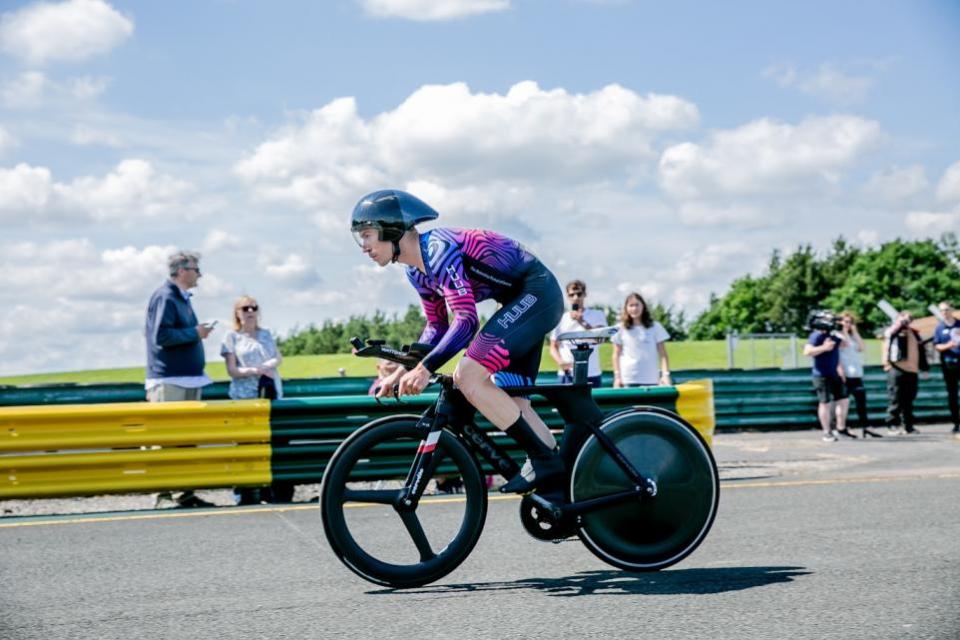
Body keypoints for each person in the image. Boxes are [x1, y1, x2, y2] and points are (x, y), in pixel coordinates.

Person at [350, 189, 564, 494]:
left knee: (468, 375)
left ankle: (544, 461)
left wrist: (424, 370)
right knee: (515, 401)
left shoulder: (438, 249)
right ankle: (564, 481)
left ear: (393, 229)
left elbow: (465, 321)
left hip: (538, 293)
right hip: (519, 301)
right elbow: (436, 327)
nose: (364, 247)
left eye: (367, 235)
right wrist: (400, 371)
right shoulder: (416, 271)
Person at [145, 250, 216, 508]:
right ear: (182, 270)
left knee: (186, 439)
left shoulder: (180, 298)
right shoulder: (165, 296)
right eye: (197, 269)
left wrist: (194, 333)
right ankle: (163, 495)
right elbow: (160, 337)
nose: (200, 274)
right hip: (170, 379)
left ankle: (183, 492)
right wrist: (195, 332)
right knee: (166, 440)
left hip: (186, 379)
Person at [221, 295, 290, 505]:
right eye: (245, 308)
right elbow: (232, 370)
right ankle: (245, 492)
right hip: (245, 397)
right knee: (246, 444)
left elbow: (278, 357)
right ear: (237, 313)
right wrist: (254, 370)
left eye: (253, 308)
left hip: (269, 392)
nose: (250, 311)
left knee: (271, 442)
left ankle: (272, 491)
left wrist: (267, 366)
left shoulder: (266, 334)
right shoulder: (231, 337)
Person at [549, 280, 607, 387]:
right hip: (567, 374)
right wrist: (560, 362)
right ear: (568, 296)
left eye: (579, 294)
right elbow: (553, 346)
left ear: (584, 294)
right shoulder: (560, 318)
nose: (576, 297)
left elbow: (600, 339)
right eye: (572, 295)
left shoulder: (597, 315)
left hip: (591, 373)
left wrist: (582, 321)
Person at [803, 314, 851, 442]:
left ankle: (841, 429)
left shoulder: (833, 336)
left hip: (834, 373)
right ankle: (826, 432)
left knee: (843, 400)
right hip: (821, 374)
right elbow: (807, 352)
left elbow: (846, 344)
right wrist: (824, 348)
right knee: (825, 403)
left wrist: (843, 330)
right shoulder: (816, 335)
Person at [611, 292, 671, 388]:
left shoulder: (655, 326)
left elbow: (663, 354)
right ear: (626, 308)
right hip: (628, 379)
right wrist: (617, 377)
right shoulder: (619, 328)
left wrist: (665, 375)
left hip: (651, 379)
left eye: (637, 305)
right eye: (631, 305)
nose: (634, 309)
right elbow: (616, 354)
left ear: (643, 306)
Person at [838, 311, 881, 438]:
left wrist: (855, 331)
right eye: (846, 322)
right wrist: (843, 329)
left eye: (851, 322)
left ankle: (866, 426)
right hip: (845, 374)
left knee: (861, 402)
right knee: (843, 404)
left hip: (856, 373)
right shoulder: (838, 336)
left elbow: (862, 347)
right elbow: (844, 343)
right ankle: (842, 428)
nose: (848, 324)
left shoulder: (852, 337)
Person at [882, 311, 921, 435]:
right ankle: (892, 424)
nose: (907, 320)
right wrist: (899, 322)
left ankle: (908, 425)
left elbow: (920, 349)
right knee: (895, 397)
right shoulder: (893, 330)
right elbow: (888, 334)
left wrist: (923, 367)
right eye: (905, 317)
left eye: (910, 318)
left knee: (909, 398)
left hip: (912, 369)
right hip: (896, 367)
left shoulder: (913, 332)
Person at [932, 300, 960, 434]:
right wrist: (948, 345)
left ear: (952, 310)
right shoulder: (939, 327)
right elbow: (937, 345)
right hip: (948, 363)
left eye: (946, 309)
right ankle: (956, 422)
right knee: (952, 394)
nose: (944, 312)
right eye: (942, 310)